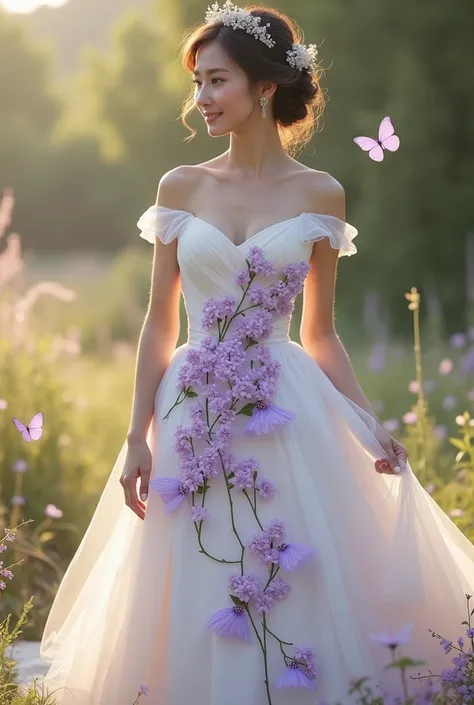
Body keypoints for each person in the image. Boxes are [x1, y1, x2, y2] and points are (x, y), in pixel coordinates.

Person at [40, 3, 474, 704]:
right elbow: (159, 321)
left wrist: (367, 423)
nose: (201, 99)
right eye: (198, 83)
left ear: (265, 87)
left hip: (285, 405)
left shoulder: (320, 194)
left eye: (217, 81)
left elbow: (321, 332)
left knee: (289, 563)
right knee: (201, 561)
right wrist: (137, 434)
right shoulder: (180, 187)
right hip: (193, 402)